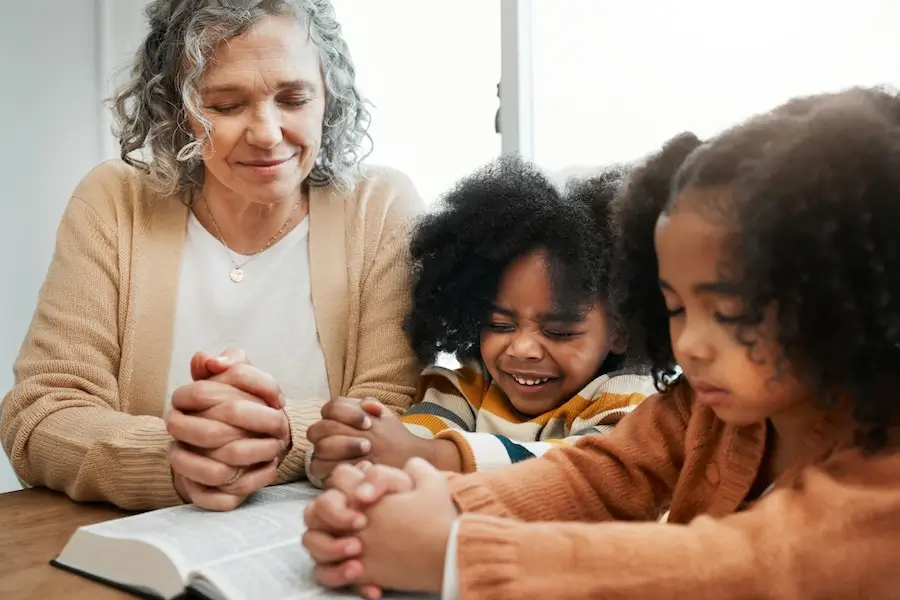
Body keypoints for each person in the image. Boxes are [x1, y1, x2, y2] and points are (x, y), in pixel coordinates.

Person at [300, 86, 900, 599]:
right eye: (675, 307)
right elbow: (596, 476)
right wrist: (424, 507)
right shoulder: (705, 409)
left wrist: (455, 552)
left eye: (732, 312)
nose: (691, 344)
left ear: (849, 300)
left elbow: (745, 566)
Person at [0, 0, 422, 512]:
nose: (267, 134)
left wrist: (280, 435)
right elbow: (42, 412)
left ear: (328, 98)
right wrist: (174, 460)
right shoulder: (114, 201)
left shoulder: (379, 207)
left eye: (294, 99)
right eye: (226, 105)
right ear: (174, 109)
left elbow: (400, 409)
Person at [304, 157, 656, 484]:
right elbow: (413, 437)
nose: (522, 348)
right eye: (500, 325)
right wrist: (356, 446)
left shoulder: (629, 399)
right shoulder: (469, 387)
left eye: (558, 332)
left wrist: (433, 456)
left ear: (620, 330)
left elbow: (584, 469)